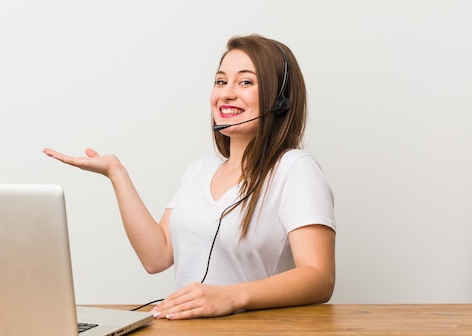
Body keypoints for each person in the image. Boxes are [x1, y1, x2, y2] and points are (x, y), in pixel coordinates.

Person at [43, 34, 335, 320]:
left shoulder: (294, 169)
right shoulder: (200, 170)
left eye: (245, 81)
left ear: (279, 100)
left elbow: (319, 277)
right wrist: (116, 174)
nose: (226, 93)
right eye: (221, 81)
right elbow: (156, 257)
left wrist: (230, 296)